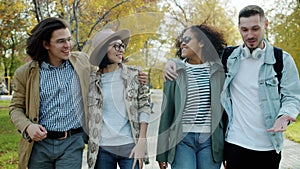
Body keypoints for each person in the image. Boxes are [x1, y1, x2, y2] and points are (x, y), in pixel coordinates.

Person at [165, 5, 300, 169]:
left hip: (268, 146)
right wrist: (172, 63)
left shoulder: (282, 60)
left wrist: (285, 114)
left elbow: (292, 96)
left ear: (266, 25)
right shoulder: (228, 58)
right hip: (235, 145)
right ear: (239, 29)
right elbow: (197, 58)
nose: (249, 35)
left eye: (255, 29)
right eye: (244, 30)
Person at [9, 17, 94, 169]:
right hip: (39, 146)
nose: (68, 45)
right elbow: (15, 108)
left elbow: (108, 72)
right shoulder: (25, 73)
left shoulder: (82, 62)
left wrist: (135, 76)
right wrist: (28, 127)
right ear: (46, 44)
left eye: (69, 39)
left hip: (72, 142)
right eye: (61, 41)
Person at [156, 24, 227, 169]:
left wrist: (228, 152)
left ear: (202, 42)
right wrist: (161, 152)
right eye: (181, 40)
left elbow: (226, 111)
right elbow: (167, 112)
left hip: (211, 141)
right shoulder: (175, 71)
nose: (182, 43)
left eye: (187, 39)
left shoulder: (219, 71)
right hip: (182, 140)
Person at [85, 29, 152, 169]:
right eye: (116, 46)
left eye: (122, 46)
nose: (121, 50)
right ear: (103, 50)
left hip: (130, 146)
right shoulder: (91, 81)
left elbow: (145, 106)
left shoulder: (135, 74)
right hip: (102, 149)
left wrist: (141, 143)